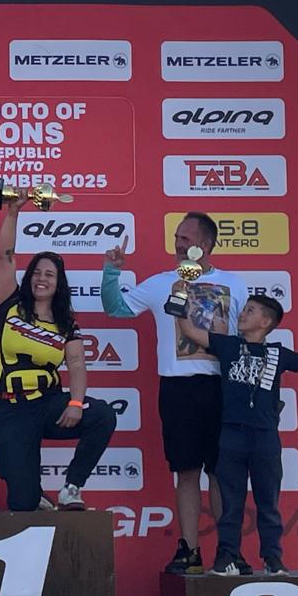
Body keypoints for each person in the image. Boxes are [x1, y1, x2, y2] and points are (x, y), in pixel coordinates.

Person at [101, 212, 248, 574]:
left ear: (206, 244)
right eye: (177, 237)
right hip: (178, 386)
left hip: (222, 386)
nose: (178, 244)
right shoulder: (161, 283)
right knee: (186, 471)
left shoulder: (235, 284)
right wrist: (111, 272)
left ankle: (229, 551)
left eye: (186, 238)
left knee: (221, 472)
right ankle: (190, 551)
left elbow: (248, 339)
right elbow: (116, 309)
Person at [175, 293, 298, 575]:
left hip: (265, 437)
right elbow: (189, 330)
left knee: (267, 502)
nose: (242, 314)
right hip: (231, 435)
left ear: (265, 322)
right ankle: (227, 557)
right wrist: (178, 302)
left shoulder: (277, 353)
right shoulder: (227, 345)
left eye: (250, 311)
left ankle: (273, 559)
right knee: (231, 503)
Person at [0, 190, 117, 511]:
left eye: (50, 274)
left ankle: (72, 487)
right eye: (37, 272)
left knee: (102, 415)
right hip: (9, 408)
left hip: (47, 403)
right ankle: (32, 492)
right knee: (23, 503)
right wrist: (13, 213)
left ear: (59, 283)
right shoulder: (9, 302)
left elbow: (77, 364)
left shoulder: (65, 321)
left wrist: (75, 403)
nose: (42, 279)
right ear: (29, 277)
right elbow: (5, 256)